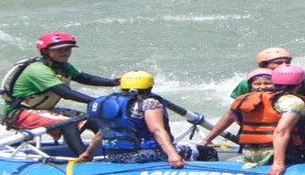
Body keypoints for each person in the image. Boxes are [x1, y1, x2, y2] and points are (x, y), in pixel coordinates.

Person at [0, 32, 119, 154]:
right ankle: (83, 158)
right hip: (19, 113)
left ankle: (114, 151)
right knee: (67, 123)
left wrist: (113, 82)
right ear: (46, 51)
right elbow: (66, 93)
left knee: (94, 121)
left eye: (68, 49)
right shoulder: (38, 70)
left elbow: (84, 78)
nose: (65, 52)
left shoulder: (62, 65)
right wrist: (98, 102)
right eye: (59, 49)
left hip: (43, 109)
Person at [78, 71, 217, 166]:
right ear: (149, 87)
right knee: (207, 151)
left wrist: (88, 153)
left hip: (115, 155)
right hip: (146, 155)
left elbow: (104, 131)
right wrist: (172, 154)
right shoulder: (150, 103)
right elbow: (157, 130)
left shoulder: (113, 104)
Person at [231, 65, 305, 175]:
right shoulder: (293, 102)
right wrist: (278, 164)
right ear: (300, 84)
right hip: (282, 154)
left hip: (250, 154)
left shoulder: (250, 99)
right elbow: (281, 131)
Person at [230, 47, 305, 140]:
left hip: (290, 127)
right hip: (260, 129)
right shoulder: (248, 84)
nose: (284, 65)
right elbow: (234, 112)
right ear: (263, 66)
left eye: (288, 62)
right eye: (278, 63)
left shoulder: (299, 80)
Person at [201, 68, 274, 146]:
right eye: (257, 84)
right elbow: (230, 116)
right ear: (251, 86)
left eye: (267, 83)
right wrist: (206, 140)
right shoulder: (243, 101)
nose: (262, 87)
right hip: (250, 143)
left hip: (274, 141)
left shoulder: (280, 102)